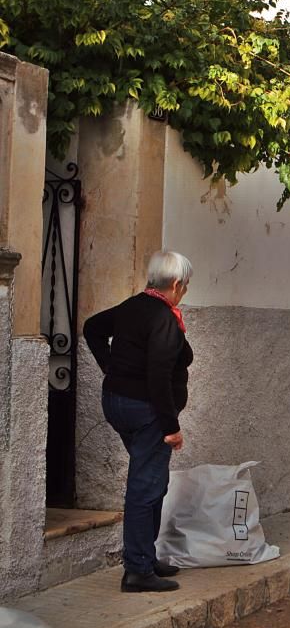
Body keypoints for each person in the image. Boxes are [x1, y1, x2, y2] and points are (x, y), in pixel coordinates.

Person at [83, 251, 194, 593]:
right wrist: (171, 428)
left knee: (153, 480)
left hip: (117, 403)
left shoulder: (132, 306)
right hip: (147, 412)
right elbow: (158, 377)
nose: (185, 291)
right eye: (185, 286)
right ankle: (137, 570)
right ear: (176, 284)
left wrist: (111, 368)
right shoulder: (163, 319)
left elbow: (92, 328)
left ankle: (146, 556)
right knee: (146, 486)